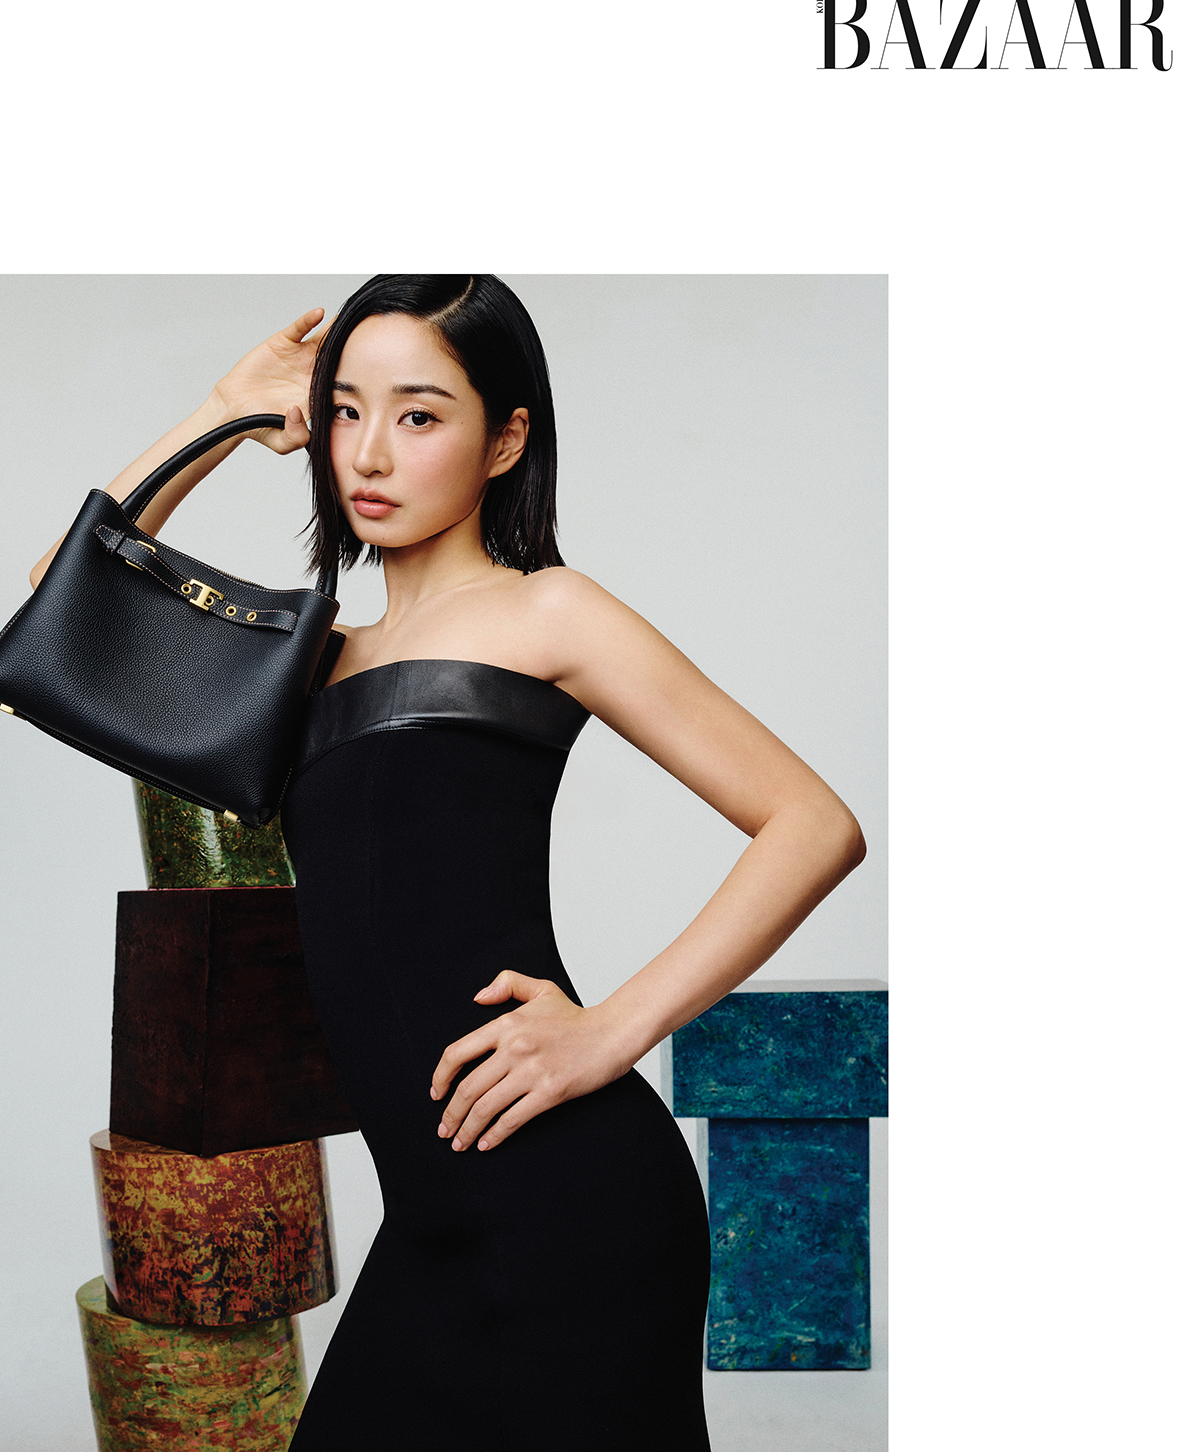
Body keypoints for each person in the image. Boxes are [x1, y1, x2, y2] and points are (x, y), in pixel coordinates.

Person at [32, 274, 866, 1450]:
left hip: (570, 1209)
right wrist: (222, 413)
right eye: (346, 411)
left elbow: (812, 823)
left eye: (419, 415)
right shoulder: (308, 661)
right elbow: (65, 616)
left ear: (505, 440)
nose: (370, 452)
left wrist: (613, 1030)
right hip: (429, 1226)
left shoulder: (551, 614)